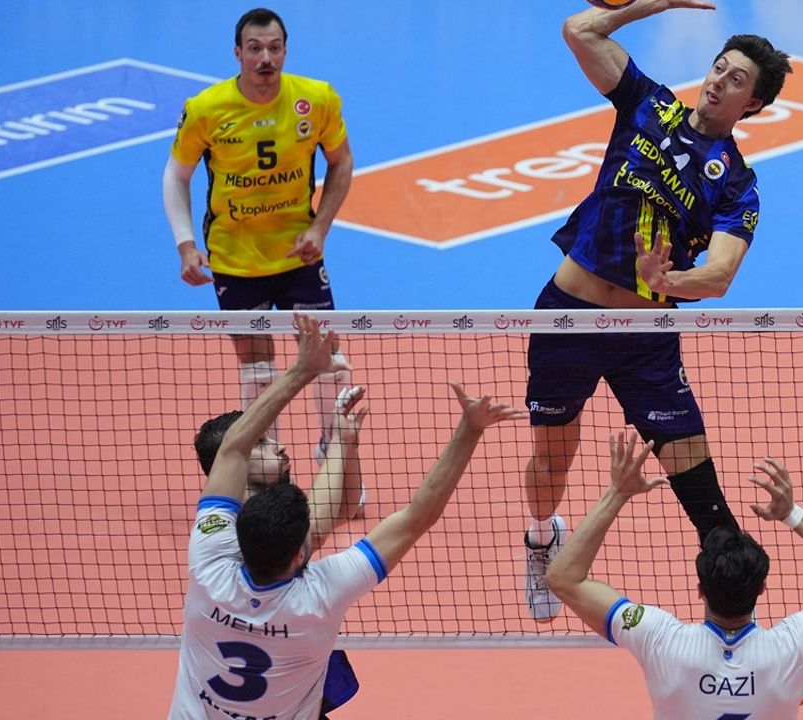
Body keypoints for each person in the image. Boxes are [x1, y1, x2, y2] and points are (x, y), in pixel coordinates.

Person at [522, 0, 794, 623]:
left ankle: (736, 621)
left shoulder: (736, 184)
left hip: (646, 337)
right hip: (568, 319)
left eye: (736, 80)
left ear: (753, 104)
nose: (718, 82)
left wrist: (668, 281)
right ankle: (540, 540)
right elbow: (579, 29)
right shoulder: (649, 105)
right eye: (719, 67)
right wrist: (658, 3)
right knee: (553, 460)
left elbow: (719, 275)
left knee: (704, 497)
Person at [168, 313, 524, 719]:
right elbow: (414, 517)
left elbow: (238, 450)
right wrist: (469, 431)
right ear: (301, 553)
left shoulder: (209, 559)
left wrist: (306, 378)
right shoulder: (320, 595)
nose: (278, 448)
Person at [545, 431, 803, 719]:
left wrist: (617, 493)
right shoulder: (793, 647)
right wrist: (792, 515)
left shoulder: (660, 641)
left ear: (700, 589)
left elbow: (563, 578)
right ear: (762, 589)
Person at [162, 7, 355, 463]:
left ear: (285, 51)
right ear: (238, 53)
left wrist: (320, 227)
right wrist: (186, 245)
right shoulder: (206, 109)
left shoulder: (317, 99)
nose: (265, 58)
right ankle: (265, 463)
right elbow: (176, 175)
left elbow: (342, 161)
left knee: (329, 361)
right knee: (258, 370)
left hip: (298, 254)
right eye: (254, 49)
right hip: (235, 259)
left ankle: (337, 458)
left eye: (274, 48)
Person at [192, 382, 367, 717]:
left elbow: (343, 507)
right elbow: (316, 524)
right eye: (260, 443)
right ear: (234, 459)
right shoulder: (238, 530)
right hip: (270, 675)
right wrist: (336, 443)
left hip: (287, 657)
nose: (280, 446)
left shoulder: (267, 501)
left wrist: (348, 446)